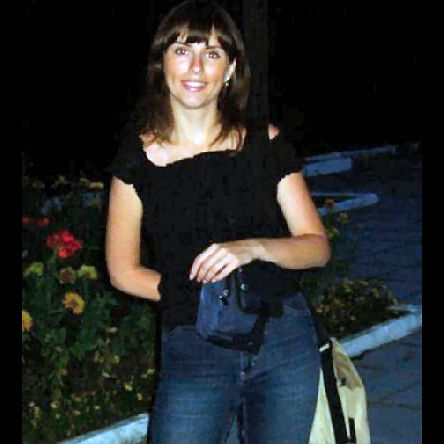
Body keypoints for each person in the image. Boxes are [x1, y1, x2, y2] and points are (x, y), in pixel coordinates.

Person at [105, 1, 331, 442]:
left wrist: (254, 247)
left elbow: (316, 246)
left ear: (229, 70)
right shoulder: (137, 161)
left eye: (211, 54)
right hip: (194, 345)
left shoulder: (264, 144)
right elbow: (122, 271)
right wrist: (201, 298)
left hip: (283, 340)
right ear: (161, 64)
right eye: (182, 50)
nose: (195, 67)